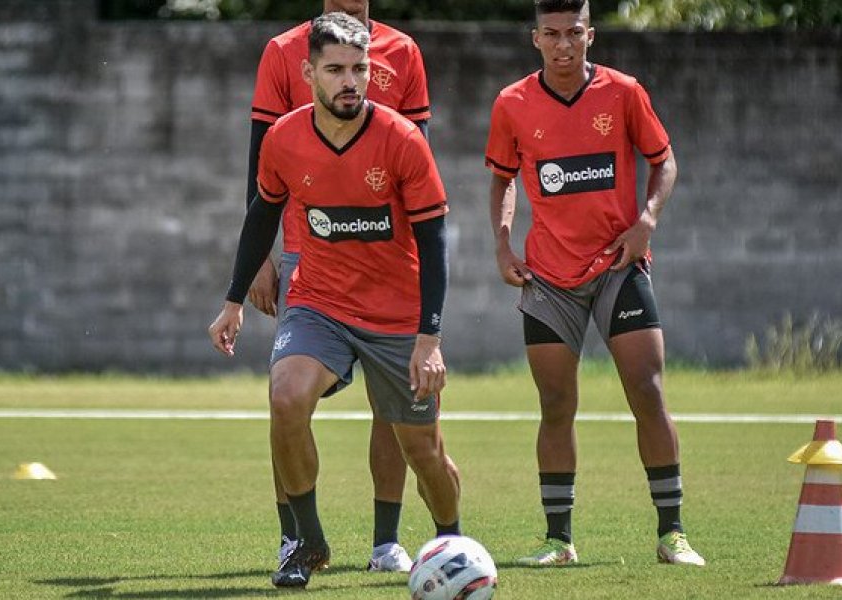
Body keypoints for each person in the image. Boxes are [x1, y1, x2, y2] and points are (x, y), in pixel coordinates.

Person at [210, 12, 462, 588]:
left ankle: (454, 540)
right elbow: (262, 217)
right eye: (336, 70)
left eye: (359, 69)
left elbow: (434, 243)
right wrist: (233, 301)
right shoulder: (285, 138)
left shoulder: (402, 140)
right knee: (286, 396)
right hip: (318, 302)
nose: (350, 81)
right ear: (310, 73)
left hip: (397, 316)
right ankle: (306, 540)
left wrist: (430, 339)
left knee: (427, 457)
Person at [484, 0, 705, 567]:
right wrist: (503, 242)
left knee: (649, 391)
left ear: (591, 35)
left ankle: (672, 533)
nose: (564, 44)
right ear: (535, 38)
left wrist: (647, 220)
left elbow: (665, 161)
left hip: (616, 266)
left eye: (574, 33)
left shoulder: (623, 92)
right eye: (552, 34)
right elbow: (502, 180)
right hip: (548, 276)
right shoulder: (511, 103)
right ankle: (559, 540)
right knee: (555, 403)